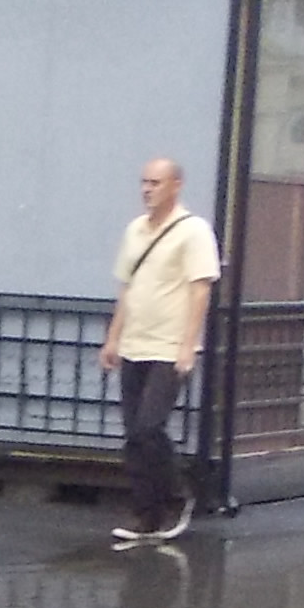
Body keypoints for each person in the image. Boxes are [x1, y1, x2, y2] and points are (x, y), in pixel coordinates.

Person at [99, 156, 219, 546]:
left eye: (156, 182)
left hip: (169, 347)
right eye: (144, 182)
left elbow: (200, 289)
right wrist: (113, 338)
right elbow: (127, 289)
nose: (147, 190)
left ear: (176, 185)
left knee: (150, 426)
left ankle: (178, 494)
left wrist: (188, 345)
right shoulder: (135, 231)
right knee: (135, 433)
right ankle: (147, 516)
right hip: (135, 342)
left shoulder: (193, 231)